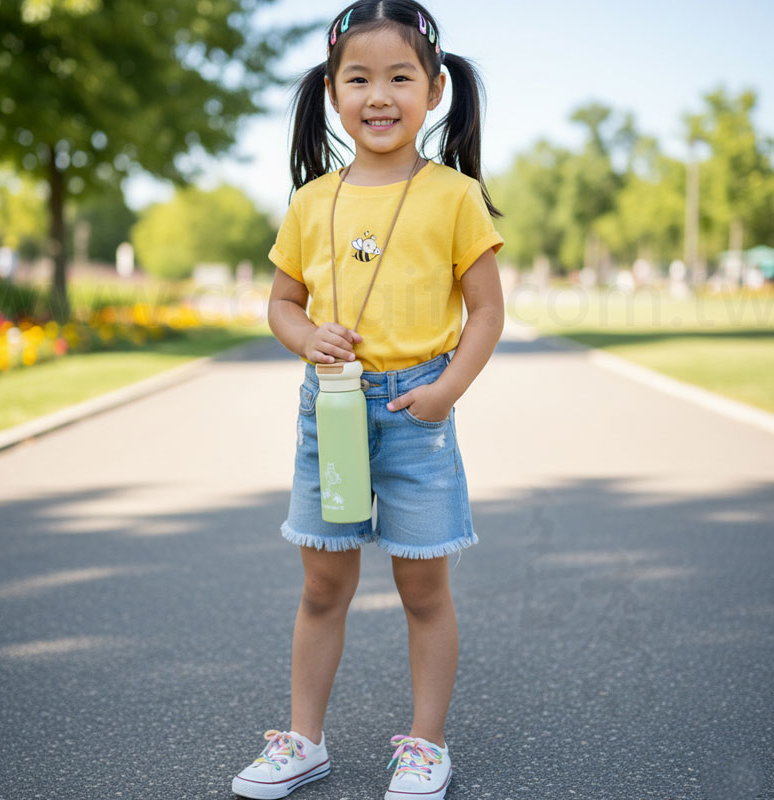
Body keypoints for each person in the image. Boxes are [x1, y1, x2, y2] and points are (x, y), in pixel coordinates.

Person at [232, 2, 504, 798]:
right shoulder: (312, 201)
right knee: (323, 586)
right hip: (332, 410)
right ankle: (303, 740)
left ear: (436, 88)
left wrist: (444, 391)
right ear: (330, 90)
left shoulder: (453, 195)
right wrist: (303, 334)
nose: (378, 94)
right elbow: (282, 303)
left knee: (423, 589)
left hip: (416, 411)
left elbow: (486, 311)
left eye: (399, 77)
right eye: (358, 78)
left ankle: (425, 744)